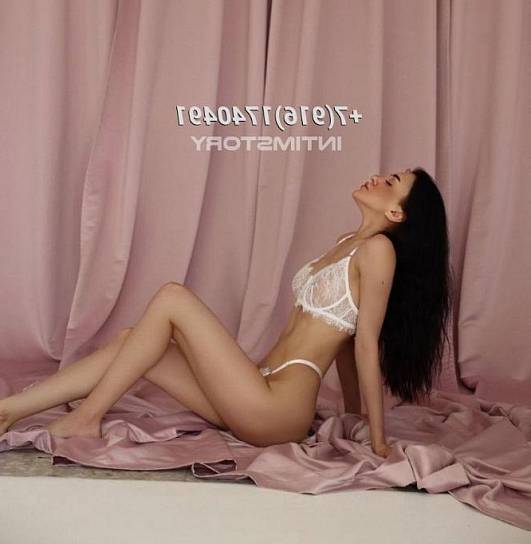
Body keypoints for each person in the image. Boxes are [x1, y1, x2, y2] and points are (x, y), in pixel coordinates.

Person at [0, 167, 452, 454]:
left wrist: (376, 439)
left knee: (173, 297)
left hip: (276, 411)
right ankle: (12, 409)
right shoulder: (345, 243)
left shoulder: (378, 252)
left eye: (392, 182)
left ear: (397, 214)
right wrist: (350, 415)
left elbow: (365, 343)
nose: (378, 177)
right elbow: (343, 342)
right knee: (133, 342)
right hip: (253, 389)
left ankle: (87, 418)